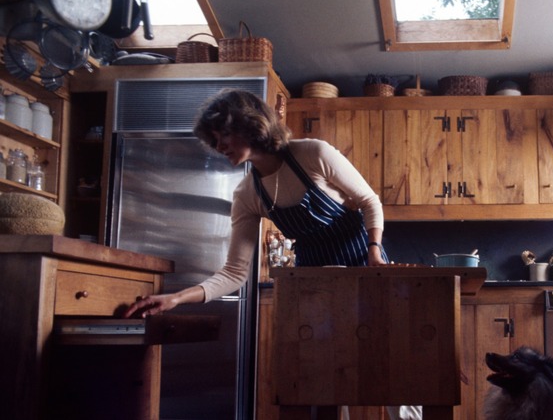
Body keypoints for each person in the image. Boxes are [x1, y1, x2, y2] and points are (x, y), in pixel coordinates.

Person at [122, 89, 420, 420]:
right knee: (328, 374)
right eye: (213, 139)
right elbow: (234, 273)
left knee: (394, 363)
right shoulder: (248, 194)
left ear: (250, 125)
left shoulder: (313, 154)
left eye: (224, 134)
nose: (219, 146)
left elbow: (369, 201)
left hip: (365, 265)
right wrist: (177, 298)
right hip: (315, 283)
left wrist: (374, 252)